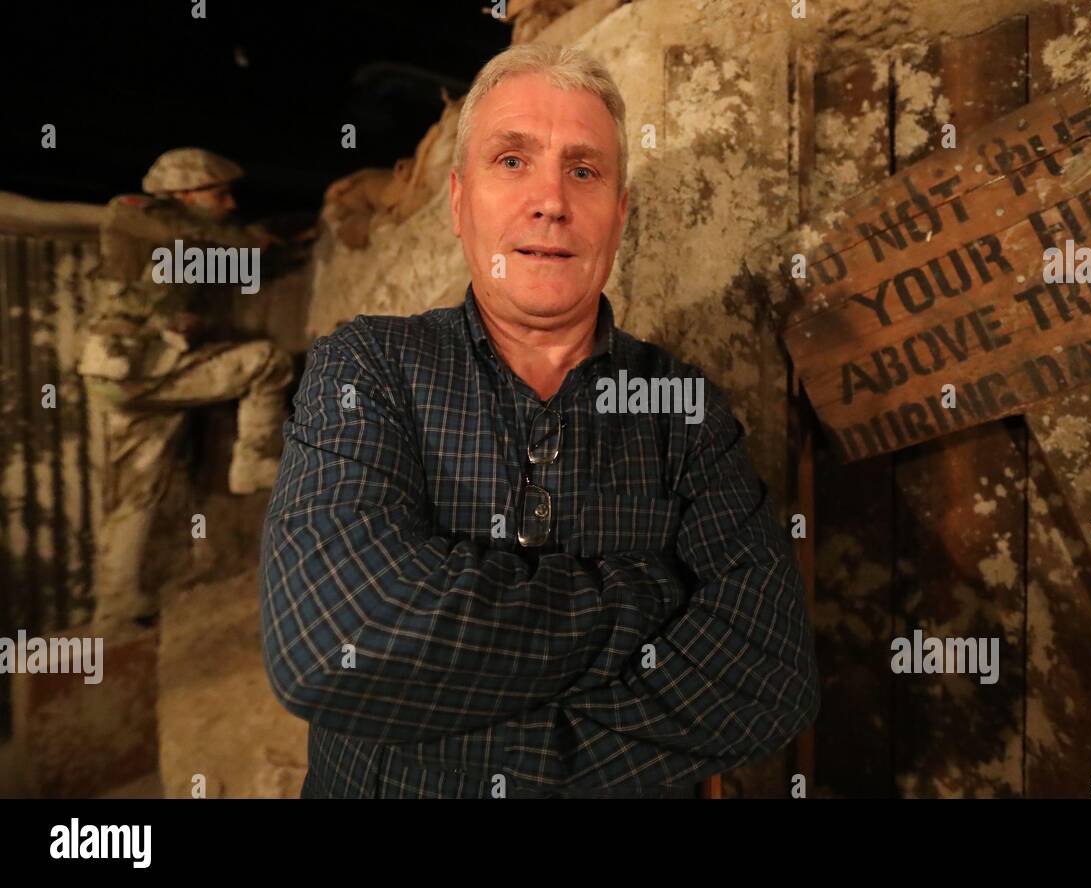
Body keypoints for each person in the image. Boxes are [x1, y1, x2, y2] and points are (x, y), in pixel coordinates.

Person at [260, 44, 819, 799]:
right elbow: (332, 643)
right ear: (459, 202)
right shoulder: (368, 369)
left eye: (584, 171)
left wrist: (475, 754)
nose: (551, 200)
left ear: (618, 217)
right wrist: (652, 594)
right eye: (513, 161)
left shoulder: (682, 410)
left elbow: (772, 674)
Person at [79, 148, 295, 629]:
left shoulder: (180, 243)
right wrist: (261, 239)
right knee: (266, 363)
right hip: (132, 368)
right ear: (180, 193)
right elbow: (196, 237)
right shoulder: (134, 212)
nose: (230, 202)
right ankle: (255, 461)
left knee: (136, 494)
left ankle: (113, 612)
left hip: (131, 375)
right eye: (219, 192)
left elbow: (191, 264)